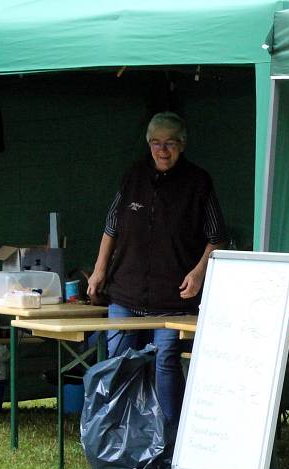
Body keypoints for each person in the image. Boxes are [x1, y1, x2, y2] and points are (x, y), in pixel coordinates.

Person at [87, 111, 227, 430]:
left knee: (165, 360)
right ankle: (114, 429)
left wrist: (199, 272)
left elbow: (217, 238)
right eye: (155, 143)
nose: (162, 150)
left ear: (183, 145)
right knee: (118, 360)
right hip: (126, 292)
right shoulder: (133, 175)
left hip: (173, 297)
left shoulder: (198, 182)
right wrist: (98, 270)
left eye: (170, 143)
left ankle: (167, 435)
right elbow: (111, 227)